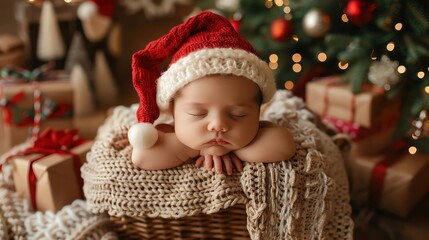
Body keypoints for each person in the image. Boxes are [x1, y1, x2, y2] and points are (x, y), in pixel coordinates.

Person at [127, 11, 296, 175]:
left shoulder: (258, 131)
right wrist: (192, 148)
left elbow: (284, 145)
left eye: (238, 114)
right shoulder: (168, 132)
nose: (218, 125)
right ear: (173, 110)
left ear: (257, 112)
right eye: (198, 113)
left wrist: (233, 149)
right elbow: (142, 156)